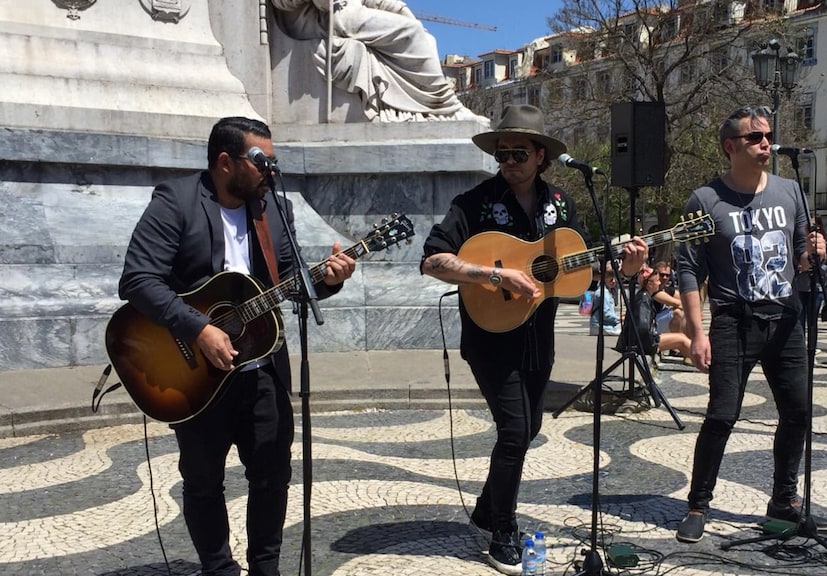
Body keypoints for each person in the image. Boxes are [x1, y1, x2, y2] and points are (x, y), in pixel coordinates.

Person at [118, 117, 357, 576]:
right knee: (203, 480)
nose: (270, 170)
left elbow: (290, 282)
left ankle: (266, 568)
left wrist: (327, 281)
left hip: (261, 367)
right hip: (194, 373)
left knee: (272, 474)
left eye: (273, 161)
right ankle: (219, 568)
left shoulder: (273, 209)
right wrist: (198, 328)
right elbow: (137, 279)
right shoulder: (177, 201)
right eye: (260, 160)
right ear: (225, 162)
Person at [420, 104, 648, 574]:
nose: (509, 161)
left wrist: (622, 268)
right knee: (514, 432)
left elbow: (579, 267)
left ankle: (487, 507)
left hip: (538, 341)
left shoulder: (560, 204)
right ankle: (502, 528)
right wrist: (493, 275)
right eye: (502, 153)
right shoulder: (475, 202)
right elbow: (433, 260)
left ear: (541, 155)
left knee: (531, 429)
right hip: (489, 337)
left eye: (518, 153)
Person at [674, 105, 827, 543]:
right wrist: (697, 331)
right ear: (730, 147)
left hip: (785, 317)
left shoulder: (790, 191)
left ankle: (784, 498)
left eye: (767, 136)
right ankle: (697, 503)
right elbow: (689, 270)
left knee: (798, 411)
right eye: (755, 137)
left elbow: (800, 260)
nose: (766, 143)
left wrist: (812, 251)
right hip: (733, 321)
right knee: (722, 415)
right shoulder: (704, 200)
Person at [270, 0, 476, 121]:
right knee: (411, 33)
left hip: (350, 12)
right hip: (325, 19)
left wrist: (404, 13)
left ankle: (434, 105)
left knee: (425, 36)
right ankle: (446, 107)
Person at [589, 261, 622, 336]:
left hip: (599, 326)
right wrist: (619, 318)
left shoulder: (605, 291)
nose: (614, 281)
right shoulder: (604, 293)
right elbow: (606, 314)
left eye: (615, 279)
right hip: (603, 327)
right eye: (611, 279)